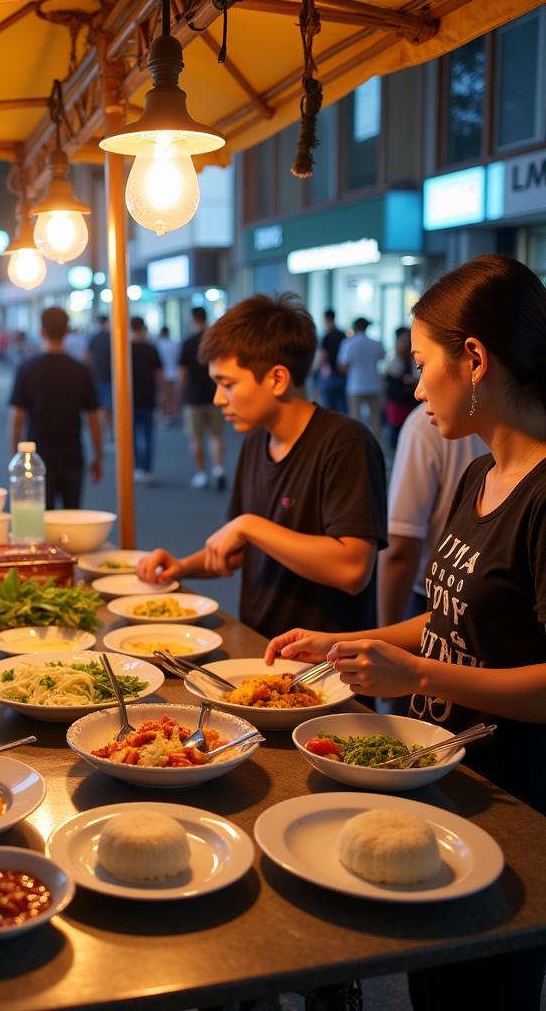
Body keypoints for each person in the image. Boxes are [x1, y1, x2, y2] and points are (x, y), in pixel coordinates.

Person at [266, 255, 546, 1009]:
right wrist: (348, 646)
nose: (415, 386)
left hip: (517, 809)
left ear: (476, 360)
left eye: (424, 364)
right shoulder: (476, 474)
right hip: (439, 781)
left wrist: (415, 677)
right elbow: (452, 613)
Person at [137, 293, 387, 640]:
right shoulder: (257, 440)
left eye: (228, 384)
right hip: (260, 646)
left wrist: (250, 526)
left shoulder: (345, 443)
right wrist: (182, 567)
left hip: (325, 670)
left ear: (277, 379)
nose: (217, 398)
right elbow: (242, 548)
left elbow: (353, 568)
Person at [379, 403, 488, 625]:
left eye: (422, 368)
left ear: (478, 367)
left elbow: (401, 549)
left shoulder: (424, 424)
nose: (418, 391)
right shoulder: (481, 467)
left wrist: (385, 633)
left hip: (433, 597)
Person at [9, 306, 103, 509]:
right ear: (67, 331)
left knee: (40, 519)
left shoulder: (27, 369)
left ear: (41, 331)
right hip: (73, 454)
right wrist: (98, 457)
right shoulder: (81, 370)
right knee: (72, 517)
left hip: (36, 456)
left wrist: (15, 456)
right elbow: (94, 419)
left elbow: (17, 418)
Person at [179, 307, 225, 490]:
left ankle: (201, 473)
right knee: (216, 436)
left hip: (193, 397)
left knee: (196, 438)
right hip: (216, 394)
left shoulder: (189, 342)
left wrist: (178, 393)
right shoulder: (216, 341)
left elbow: (182, 372)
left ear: (193, 319)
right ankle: (218, 469)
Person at [338, 316, 384, 444]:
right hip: (373, 384)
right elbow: (382, 356)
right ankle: (376, 444)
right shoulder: (375, 342)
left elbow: (342, 366)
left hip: (355, 385)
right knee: (375, 419)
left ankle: (358, 444)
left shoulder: (348, 343)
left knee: (356, 419)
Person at [130, 317, 163, 484]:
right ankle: (148, 470)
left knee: (133, 436)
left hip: (130, 400)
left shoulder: (125, 350)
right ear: (143, 328)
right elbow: (159, 374)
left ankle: (137, 468)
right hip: (148, 397)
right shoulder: (151, 349)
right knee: (149, 436)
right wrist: (165, 394)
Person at [384, 326, 420, 449]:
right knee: (397, 431)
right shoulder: (393, 360)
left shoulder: (413, 359)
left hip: (410, 401)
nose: (405, 345)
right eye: (402, 342)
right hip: (398, 401)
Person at [313, 309, 347, 413]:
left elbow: (324, 357)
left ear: (326, 319)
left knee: (329, 408)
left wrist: (316, 369)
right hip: (342, 375)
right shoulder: (343, 335)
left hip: (330, 376)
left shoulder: (326, 337)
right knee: (342, 408)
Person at [86, 314, 112, 438]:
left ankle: (105, 429)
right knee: (110, 404)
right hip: (111, 375)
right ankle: (110, 428)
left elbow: (88, 356)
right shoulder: (111, 337)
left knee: (102, 405)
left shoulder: (94, 338)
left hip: (98, 375)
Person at [156, 325, 181, 425]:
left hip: (163, 374)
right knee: (173, 395)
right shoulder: (175, 344)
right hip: (174, 373)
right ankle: (173, 414)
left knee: (165, 396)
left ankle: (166, 414)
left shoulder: (158, 345)